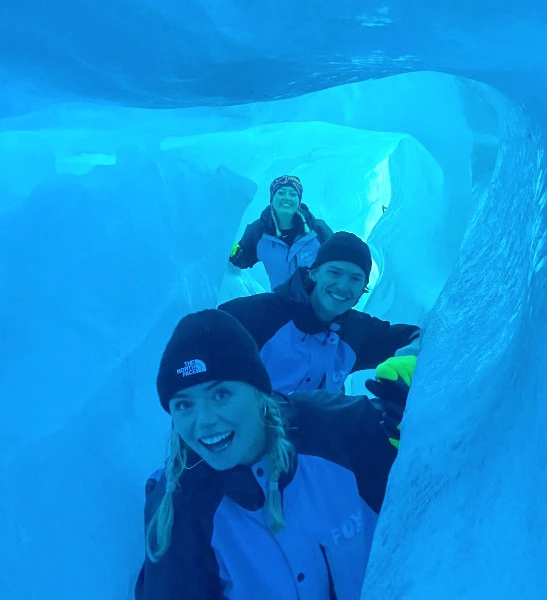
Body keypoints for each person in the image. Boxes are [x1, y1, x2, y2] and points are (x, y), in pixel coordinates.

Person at [134, 309, 414, 600]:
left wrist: (418, 391)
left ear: (258, 391)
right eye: (183, 405)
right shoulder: (181, 506)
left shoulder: (334, 431)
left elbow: (446, 347)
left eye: (221, 395)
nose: (203, 421)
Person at [219, 231, 421, 395]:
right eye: (335, 272)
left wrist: (408, 360)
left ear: (363, 290)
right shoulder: (261, 315)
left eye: (355, 279)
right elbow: (203, 337)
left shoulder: (358, 332)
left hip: (315, 443)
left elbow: (419, 336)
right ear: (314, 273)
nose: (343, 286)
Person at [229, 175, 333, 289]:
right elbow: (243, 258)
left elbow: (339, 258)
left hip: (317, 302)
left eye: (293, 194)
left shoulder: (317, 229)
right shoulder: (259, 232)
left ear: (299, 201)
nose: (287, 198)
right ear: (272, 198)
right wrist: (230, 251)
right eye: (281, 193)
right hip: (282, 302)